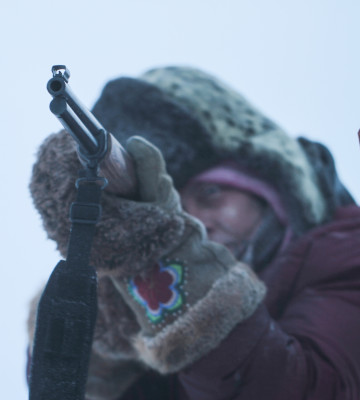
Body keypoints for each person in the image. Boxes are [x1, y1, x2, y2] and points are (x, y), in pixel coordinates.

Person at [27, 66, 360, 399]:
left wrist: (164, 257)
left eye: (210, 193)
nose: (197, 221)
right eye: (180, 209)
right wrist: (111, 292)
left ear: (270, 185)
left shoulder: (347, 253)